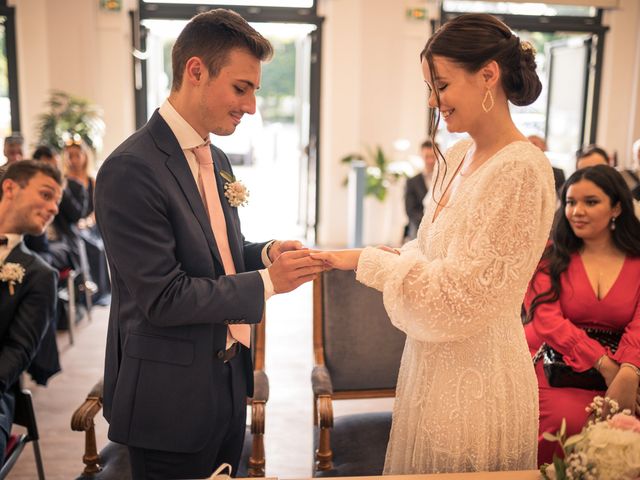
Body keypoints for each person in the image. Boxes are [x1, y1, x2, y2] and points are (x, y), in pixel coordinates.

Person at [312, 13, 556, 474]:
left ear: (489, 74)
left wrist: (366, 260)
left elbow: (459, 296)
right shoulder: (459, 154)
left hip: (478, 378)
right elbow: (425, 251)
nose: (432, 101)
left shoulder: (521, 170)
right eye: (430, 86)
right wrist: (349, 258)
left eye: (441, 85)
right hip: (430, 365)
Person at [95, 9, 325, 480]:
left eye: (255, 91)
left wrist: (264, 253)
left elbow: (216, 253)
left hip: (223, 381)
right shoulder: (130, 169)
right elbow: (164, 296)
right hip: (168, 397)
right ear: (195, 71)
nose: (252, 107)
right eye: (241, 88)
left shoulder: (215, 155)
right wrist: (266, 283)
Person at [523, 165, 640, 466]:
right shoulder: (550, 255)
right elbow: (546, 320)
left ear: (616, 207)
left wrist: (627, 371)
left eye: (591, 202)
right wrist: (603, 364)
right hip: (562, 366)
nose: (577, 211)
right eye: (571, 202)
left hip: (630, 362)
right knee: (569, 424)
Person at [0, 160, 61, 464]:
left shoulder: (39, 274)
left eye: (57, 202)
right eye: (46, 195)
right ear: (10, 188)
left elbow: (17, 351)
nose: (54, 209)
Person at [404, 140, 437, 240]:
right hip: (419, 223)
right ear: (421, 156)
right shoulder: (412, 182)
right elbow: (410, 210)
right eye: (427, 156)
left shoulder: (444, 179)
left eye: (433, 156)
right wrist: (427, 222)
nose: (430, 160)